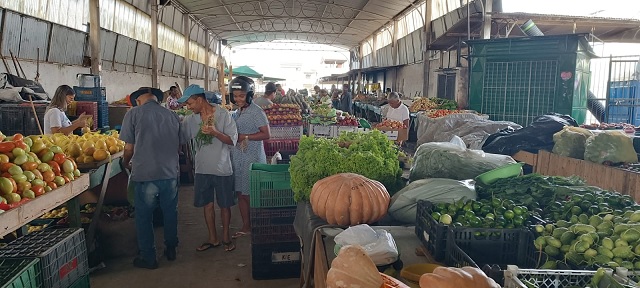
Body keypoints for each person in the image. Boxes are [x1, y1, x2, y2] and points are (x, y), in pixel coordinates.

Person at [120, 87, 182, 269]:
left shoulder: (133, 114)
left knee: (144, 216)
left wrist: (125, 163)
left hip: (145, 173)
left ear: (139, 100)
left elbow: (129, 148)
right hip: (170, 172)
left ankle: (149, 257)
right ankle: (171, 248)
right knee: (170, 212)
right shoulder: (172, 115)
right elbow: (178, 147)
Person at [177, 84, 238, 253]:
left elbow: (232, 140)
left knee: (225, 205)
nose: (188, 107)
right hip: (202, 168)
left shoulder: (223, 114)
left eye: (190, 103)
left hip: (222, 167)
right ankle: (213, 238)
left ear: (199, 99)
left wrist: (215, 132)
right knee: (207, 205)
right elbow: (181, 137)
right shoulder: (191, 119)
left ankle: (226, 237)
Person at [229, 76, 271, 239]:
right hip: (238, 158)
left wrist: (245, 136)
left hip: (251, 158)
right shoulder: (237, 112)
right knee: (240, 192)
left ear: (249, 94)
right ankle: (246, 226)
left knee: (250, 194)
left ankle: (257, 225)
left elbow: (266, 134)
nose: (238, 98)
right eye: (235, 95)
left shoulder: (256, 112)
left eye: (241, 95)